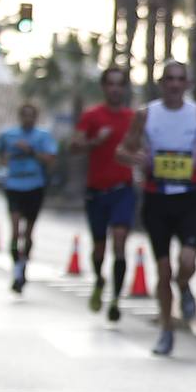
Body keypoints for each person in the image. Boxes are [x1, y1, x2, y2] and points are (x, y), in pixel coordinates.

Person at [117, 60, 196, 355]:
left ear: (188, 84)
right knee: (163, 270)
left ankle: (185, 285)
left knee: (189, 262)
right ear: (161, 83)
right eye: (169, 79)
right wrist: (136, 158)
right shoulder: (146, 114)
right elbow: (122, 150)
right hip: (157, 199)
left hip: (189, 197)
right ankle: (166, 328)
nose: (175, 84)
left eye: (180, 79)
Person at [71, 66, 137, 321]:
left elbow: (142, 146)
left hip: (123, 189)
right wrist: (93, 142)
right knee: (99, 247)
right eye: (111, 84)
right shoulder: (91, 116)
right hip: (96, 192)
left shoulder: (133, 118)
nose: (115, 89)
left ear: (125, 88)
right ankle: (100, 278)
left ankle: (117, 299)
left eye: (120, 84)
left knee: (120, 241)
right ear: (104, 87)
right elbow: (73, 146)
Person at [0, 103, 58, 292]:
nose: (28, 119)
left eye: (32, 115)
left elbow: (51, 158)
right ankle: (16, 268)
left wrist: (31, 151)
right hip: (14, 184)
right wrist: (6, 161)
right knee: (15, 230)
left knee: (28, 232)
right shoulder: (9, 135)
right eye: (25, 115)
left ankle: (24, 265)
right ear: (20, 116)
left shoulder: (42, 136)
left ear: (36, 117)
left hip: (34, 186)